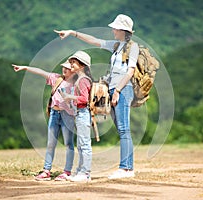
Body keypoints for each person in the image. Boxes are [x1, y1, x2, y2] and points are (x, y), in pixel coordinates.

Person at [54, 14, 139, 179]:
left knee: (124, 129)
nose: (113, 30)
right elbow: (93, 41)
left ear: (123, 30)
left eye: (115, 28)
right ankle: (126, 168)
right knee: (121, 128)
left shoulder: (132, 47)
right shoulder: (116, 45)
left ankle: (126, 169)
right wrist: (72, 32)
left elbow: (130, 71)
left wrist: (118, 91)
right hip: (113, 89)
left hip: (123, 89)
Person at [12, 61, 76, 181]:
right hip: (54, 113)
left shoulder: (76, 83)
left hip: (67, 115)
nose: (64, 69)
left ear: (73, 70)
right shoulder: (57, 78)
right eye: (63, 67)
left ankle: (67, 172)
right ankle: (46, 170)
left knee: (68, 144)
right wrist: (25, 68)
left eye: (67, 68)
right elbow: (41, 72)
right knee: (50, 143)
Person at [59, 50, 93, 182]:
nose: (71, 64)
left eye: (74, 62)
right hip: (80, 114)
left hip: (83, 113)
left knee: (84, 144)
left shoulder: (83, 80)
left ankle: (85, 173)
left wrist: (69, 97)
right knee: (81, 144)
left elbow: (84, 99)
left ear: (82, 65)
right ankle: (80, 171)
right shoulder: (80, 79)